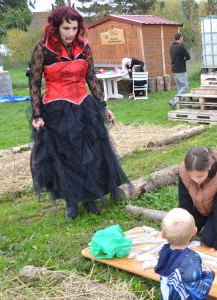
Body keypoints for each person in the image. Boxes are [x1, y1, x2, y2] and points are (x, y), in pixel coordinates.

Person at [28, 6, 129, 220]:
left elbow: (91, 77)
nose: (71, 33)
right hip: (57, 109)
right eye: (66, 28)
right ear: (55, 27)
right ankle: (72, 202)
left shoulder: (84, 47)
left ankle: (92, 197)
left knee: (93, 155)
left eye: (74, 28)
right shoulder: (42, 49)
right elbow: (34, 83)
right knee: (66, 157)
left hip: (84, 107)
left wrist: (103, 106)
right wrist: (36, 114)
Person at [178, 147, 217, 250]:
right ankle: (208, 222)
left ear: (209, 167)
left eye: (200, 176)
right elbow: (185, 204)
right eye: (192, 176)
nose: (196, 180)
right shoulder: (184, 172)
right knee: (184, 234)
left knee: (209, 240)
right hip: (200, 206)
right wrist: (184, 231)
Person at [154, 208, 215, 300]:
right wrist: (208, 275)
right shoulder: (192, 259)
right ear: (195, 231)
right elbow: (199, 293)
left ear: (163, 235)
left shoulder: (164, 252)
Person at [169, 32, 191, 108]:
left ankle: (183, 103)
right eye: (182, 37)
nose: (183, 39)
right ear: (180, 38)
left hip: (174, 70)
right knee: (185, 86)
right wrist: (183, 59)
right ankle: (174, 101)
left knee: (179, 87)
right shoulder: (180, 47)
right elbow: (188, 56)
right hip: (181, 70)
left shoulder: (171, 47)